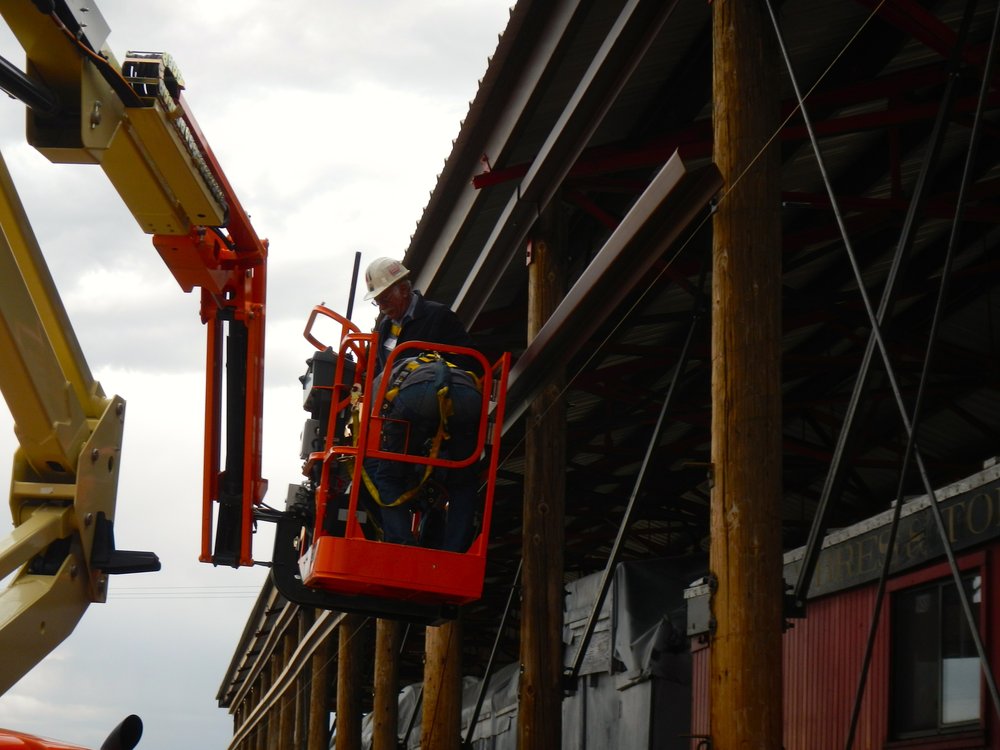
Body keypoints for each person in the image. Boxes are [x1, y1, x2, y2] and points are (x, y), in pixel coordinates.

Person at [361, 257, 483, 552]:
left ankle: (437, 550)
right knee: (378, 471)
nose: (383, 305)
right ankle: (406, 541)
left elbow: (470, 362)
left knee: (457, 477)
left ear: (404, 288)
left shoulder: (438, 316)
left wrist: (425, 374)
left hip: (447, 403)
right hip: (406, 416)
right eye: (377, 301)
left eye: (386, 297)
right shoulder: (383, 330)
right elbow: (380, 376)